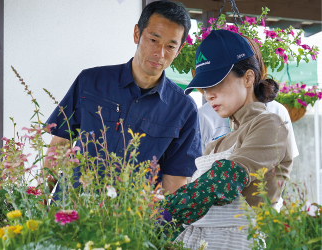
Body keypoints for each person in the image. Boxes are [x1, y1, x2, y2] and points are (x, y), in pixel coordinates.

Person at [44, 0, 201, 197]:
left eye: (170, 46)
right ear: (137, 34)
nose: (160, 54)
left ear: (179, 50)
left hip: (131, 222)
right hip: (72, 213)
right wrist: (40, 202)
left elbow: (174, 180)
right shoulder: (90, 81)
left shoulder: (183, 109)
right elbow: (59, 144)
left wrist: (161, 225)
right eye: (154, 40)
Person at [163, 29, 293, 249]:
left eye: (216, 82)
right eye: (204, 87)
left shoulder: (270, 124)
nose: (208, 94)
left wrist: (163, 212)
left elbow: (225, 179)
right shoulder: (215, 144)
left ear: (248, 78)